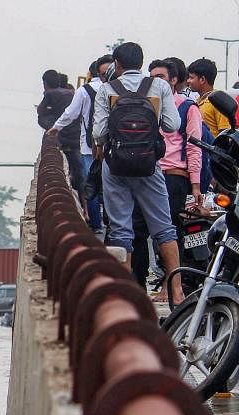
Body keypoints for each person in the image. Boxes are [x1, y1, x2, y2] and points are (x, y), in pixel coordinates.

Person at [92, 41, 185, 305]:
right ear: (142, 63)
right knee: (164, 228)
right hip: (149, 166)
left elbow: (99, 133)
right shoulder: (159, 86)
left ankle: (125, 294)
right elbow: (171, 125)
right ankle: (176, 292)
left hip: (116, 167)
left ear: (117, 65)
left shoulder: (107, 90)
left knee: (121, 229)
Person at [132, 59, 204, 298]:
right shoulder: (147, 106)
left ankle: (171, 287)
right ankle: (137, 286)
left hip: (175, 177)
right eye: (151, 76)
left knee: (169, 231)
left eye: (160, 77)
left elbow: (195, 148)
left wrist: (195, 185)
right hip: (147, 174)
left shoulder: (187, 108)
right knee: (138, 230)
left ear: (173, 80)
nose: (155, 81)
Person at [50, 55, 114, 232]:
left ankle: (96, 224)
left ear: (90, 73)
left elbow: (71, 114)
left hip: (90, 146)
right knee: (111, 184)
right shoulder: (115, 88)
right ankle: (113, 222)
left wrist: (55, 128)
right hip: (114, 146)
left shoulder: (84, 90)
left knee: (90, 184)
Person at [38, 69, 83, 193]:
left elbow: (40, 111)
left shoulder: (50, 94)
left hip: (63, 136)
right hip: (76, 135)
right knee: (79, 168)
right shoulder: (72, 92)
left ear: (45, 83)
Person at [187, 57, 234, 137]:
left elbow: (225, 134)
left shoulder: (218, 103)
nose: (188, 81)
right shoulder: (198, 101)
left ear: (202, 79)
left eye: (191, 78)